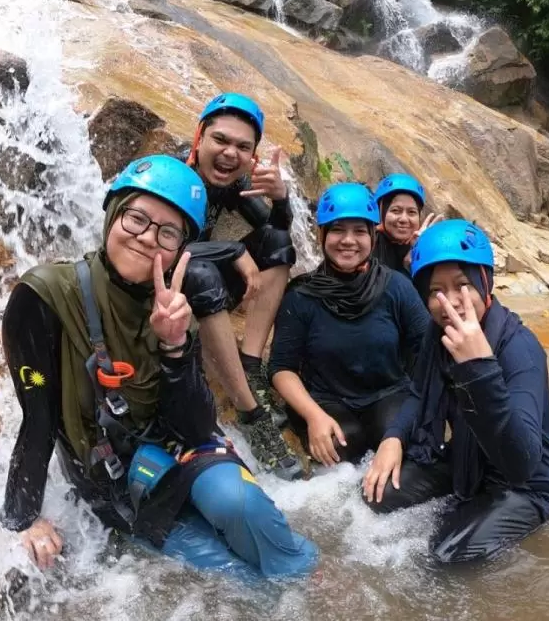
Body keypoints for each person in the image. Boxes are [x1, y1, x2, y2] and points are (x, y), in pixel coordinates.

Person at [0, 155, 318, 579]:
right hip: (111, 474)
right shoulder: (43, 297)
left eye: (168, 232)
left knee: (245, 512)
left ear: (181, 247)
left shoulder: (177, 294)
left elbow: (198, 425)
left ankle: (313, 590)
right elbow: (36, 416)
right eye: (136, 219)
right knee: (231, 575)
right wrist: (22, 518)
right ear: (113, 215)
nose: (148, 238)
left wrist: (175, 346)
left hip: (181, 445)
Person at [362, 219, 549, 564]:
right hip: (467, 457)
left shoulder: (521, 350)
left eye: (462, 285)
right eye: (435, 290)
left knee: (446, 556)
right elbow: (418, 392)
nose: (450, 302)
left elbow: (522, 463)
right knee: (377, 495)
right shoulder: (437, 333)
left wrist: (479, 368)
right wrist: (392, 438)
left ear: (485, 284)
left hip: (525, 484)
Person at [180, 92, 302, 481]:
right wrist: (230, 249)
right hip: (158, 293)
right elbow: (157, 250)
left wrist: (281, 200)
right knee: (202, 272)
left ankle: (249, 364)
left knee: (277, 246)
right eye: (221, 140)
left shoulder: (236, 184)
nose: (230, 154)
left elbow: (276, 232)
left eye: (242, 147)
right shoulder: (173, 177)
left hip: (200, 285)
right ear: (200, 137)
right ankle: (251, 415)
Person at [269, 183, 430, 467]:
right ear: (322, 235)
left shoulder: (396, 286)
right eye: (338, 230)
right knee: (341, 445)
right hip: (326, 399)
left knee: (397, 439)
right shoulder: (301, 295)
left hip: (388, 392)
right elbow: (282, 368)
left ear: (372, 236)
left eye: (359, 231)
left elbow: (427, 347)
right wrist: (313, 416)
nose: (348, 240)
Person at [371, 173, 441, 275]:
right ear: (381, 211)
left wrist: (419, 251)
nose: (404, 219)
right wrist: (407, 266)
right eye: (395, 210)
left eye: (412, 212)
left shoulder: (418, 243)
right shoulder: (368, 245)